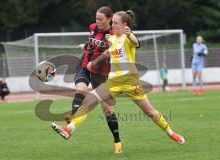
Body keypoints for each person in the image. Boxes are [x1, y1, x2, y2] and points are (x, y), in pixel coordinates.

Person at [51, 10, 185, 149]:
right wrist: (95, 61)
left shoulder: (128, 38)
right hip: (113, 82)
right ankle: (69, 130)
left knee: (150, 112)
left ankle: (170, 133)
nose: (112, 25)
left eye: (115, 23)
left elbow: (136, 42)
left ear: (124, 24)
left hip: (130, 83)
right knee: (89, 101)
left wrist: (130, 34)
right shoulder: (112, 38)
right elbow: (107, 51)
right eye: (112, 22)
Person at [54, 6, 123, 153]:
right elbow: (91, 44)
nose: (97, 21)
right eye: (96, 18)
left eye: (101, 19)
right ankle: (71, 122)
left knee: (107, 110)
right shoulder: (92, 27)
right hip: (85, 66)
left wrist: (98, 60)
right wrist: (85, 46)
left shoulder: (114, 33)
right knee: (80, 89)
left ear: (110, 19)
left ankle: (117, 142)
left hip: (101, 73)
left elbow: (111, 50)